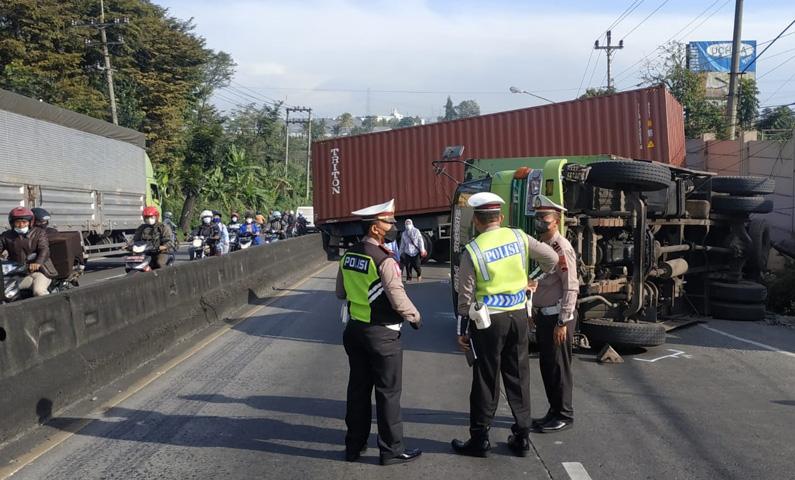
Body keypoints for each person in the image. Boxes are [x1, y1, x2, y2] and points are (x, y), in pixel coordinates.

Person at [451, 192, 558, 458]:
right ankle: (521, 436)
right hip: (518, 315)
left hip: (488, 321)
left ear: (476, 221)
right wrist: (530, 279)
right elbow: (552, 259)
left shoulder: (473, 250)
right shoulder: (519, 237)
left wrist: (462, 331)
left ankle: (480, 439)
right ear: (500, 217)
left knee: (486, 379)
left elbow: (464, 299)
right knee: (518, 375)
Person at [336, 198, 423, 466]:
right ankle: (391, 450)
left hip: (354, 331)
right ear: (375, 228)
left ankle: (354, 445)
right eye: (388, 222)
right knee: (387, 393)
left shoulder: (349, 255)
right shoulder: (384, 260)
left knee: (358, 390)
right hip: (382, 335)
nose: (393, 226)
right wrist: (415, 316)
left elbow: (341, 292)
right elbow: (397, 296)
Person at [527, 195, 579, 433]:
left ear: (555, 221)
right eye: (537, 216)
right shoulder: (542, 245)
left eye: (544, 217)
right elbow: (540, 279)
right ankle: (553, 410)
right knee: (548, 367)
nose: (539, 221)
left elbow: (571, 285)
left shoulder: (561, 248)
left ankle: (564, 414)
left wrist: (563, 321)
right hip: (545, 315)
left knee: (559, 367)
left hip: (559, 317)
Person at [0, 207, 57, 296]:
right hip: (16, 272)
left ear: (30, 222)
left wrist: (38, 263)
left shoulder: (39, 233)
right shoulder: (6, 236)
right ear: (12, 223)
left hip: (39, 271)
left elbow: (44, 249)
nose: (21, 225)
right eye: (18, 222)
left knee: (39, 291)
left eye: (24, 222)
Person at [132, 205, 175, 270]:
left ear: (156, 217)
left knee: (159, 263)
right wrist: (129, 245)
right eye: (147, 217)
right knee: (134, 263)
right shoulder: (141, 228)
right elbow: (135, 239)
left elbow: (170, 241)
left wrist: (162, 247)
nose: (149, 219)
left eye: (151, 217)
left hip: (161, 252)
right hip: (146, 252)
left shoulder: (163, 227)